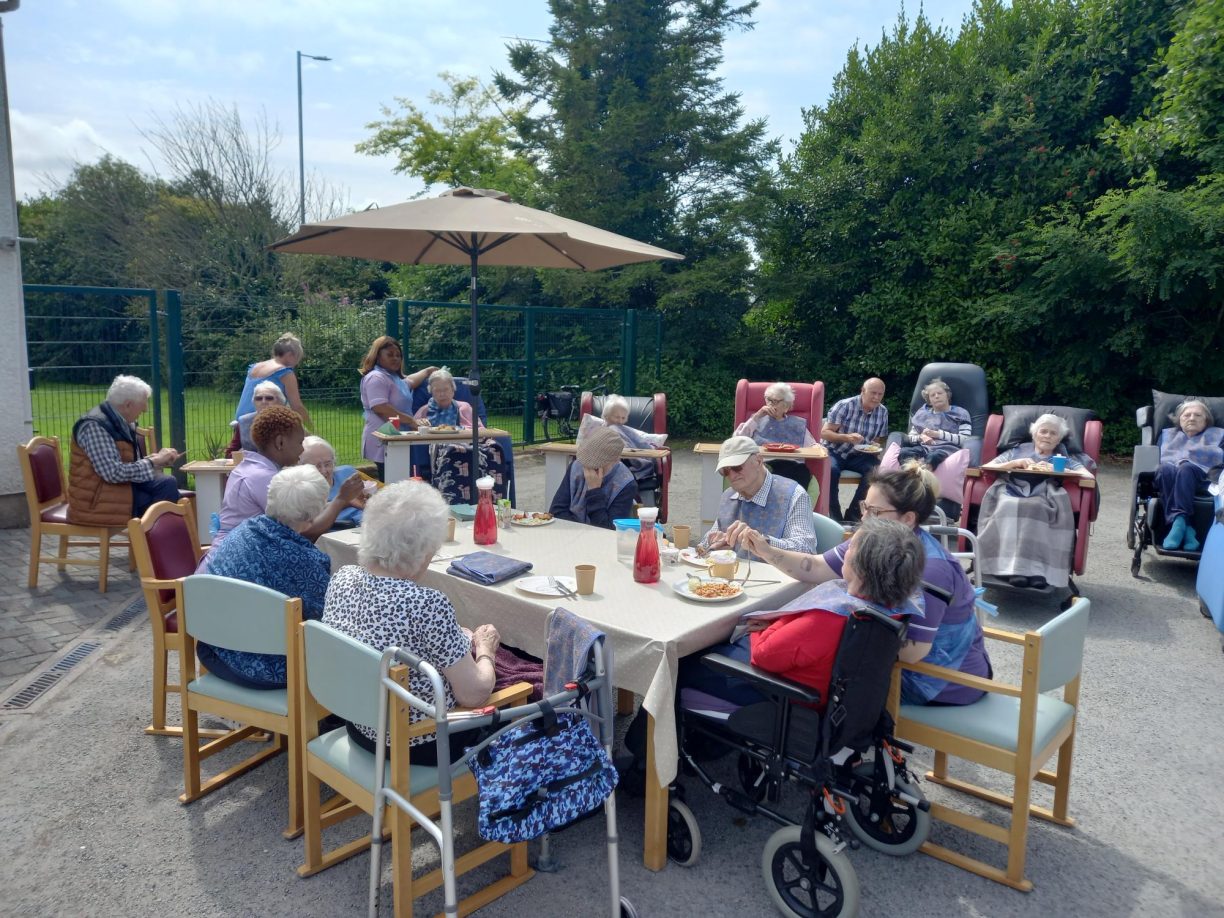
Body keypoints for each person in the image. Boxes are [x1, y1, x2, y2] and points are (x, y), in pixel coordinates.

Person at [743, 462, 991, 705]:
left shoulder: (931, 569)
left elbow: (913, 652)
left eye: (874, 511)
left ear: (907, 519)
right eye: (864, 506)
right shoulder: (877, 542)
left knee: (790, 671)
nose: (863, 517)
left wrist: (824, 634)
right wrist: (765, 550)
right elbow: (817, 567)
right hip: (905, 665)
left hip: (942, 682)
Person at [322, 480, 503, 764]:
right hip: (417, 743)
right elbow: (475, 694)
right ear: (423, 552)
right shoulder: (427, 603)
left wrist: (454, 639)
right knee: (520, 702)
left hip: (358, 725)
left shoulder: (342, 577)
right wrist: (485, 649)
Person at [678, 519, 926, 707]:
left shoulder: (830, 618)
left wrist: (771, 625)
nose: (844, 551)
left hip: (783, 697)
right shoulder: (892, 610)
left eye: (851, 546)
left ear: (861, 567)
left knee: (680, 664)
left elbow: (764, 656)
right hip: (830, 696)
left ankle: (666, 753)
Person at [196, 466, 333, 689]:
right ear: (311, 517)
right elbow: (328, 618)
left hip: (215, 652)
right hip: (271, 670)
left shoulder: (241, 531)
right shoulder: (305, 560)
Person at [211, 407, 363, 552]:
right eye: (299, 442)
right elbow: (304, 532)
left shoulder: (251, 467)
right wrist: (340, 500)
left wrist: (344, 501)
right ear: (280, 443)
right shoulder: (266, 479)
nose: (302, 450)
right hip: (238, 564)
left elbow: (301, 514)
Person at [978, 413, 1095, 588]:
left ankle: (1037, 571)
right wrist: (1012, 463)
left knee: (1036, 508)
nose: (1047, 436)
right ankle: (1010, 569)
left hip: (1044, 494)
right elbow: (987, 467)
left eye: (1053, 433)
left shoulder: (1061, 458)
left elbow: (1088, 476)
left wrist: (1057, 469)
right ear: (1034, 434)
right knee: (1008, 505)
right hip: (1013, 489)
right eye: (1043, 431)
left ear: (1058, 440)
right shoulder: (1017, 451)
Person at [67, 374, 181, 525]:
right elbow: (113, 472)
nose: (146, 409)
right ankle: (153, 537)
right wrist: (152, 462)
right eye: (143, 404)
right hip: (94, 503)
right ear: (128, 405)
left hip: (113, 489)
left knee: (168, 483)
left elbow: (125, 464)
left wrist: (157, 460)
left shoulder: (119, 420)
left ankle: (155, 536)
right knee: (160, 502)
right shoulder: (95, 427)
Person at [700, 436, 817, 560]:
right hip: (733, 571)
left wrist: (760, 541)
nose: (732, 475)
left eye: (737, 467)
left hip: (777, 572)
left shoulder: (794, 494)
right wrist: (713, 542)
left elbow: (807, 550)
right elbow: (705, 543)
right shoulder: (728, 496)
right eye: (725, 471)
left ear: (758, 461)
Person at [413, 368, 508, 504]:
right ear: (431, 392)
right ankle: (452, 501)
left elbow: (481, 430)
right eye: (437, 390)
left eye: (446, 390)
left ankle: (494, 499)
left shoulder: (464, 407)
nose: (442, 394)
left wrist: (464, 431)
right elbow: (414, 430)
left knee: (494, 448)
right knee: (454, 450)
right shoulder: (424, 411)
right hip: (442, 447)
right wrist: (419, 424)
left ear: (453, 390)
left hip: (471, 442)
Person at [358, 336, 437, 480]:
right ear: (377, 356)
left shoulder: (392, 377)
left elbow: (410, 381)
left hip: (396, 437)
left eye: (398, 355)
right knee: (392, 481)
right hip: (384, 437)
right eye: (390, 355)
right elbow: (380, 407)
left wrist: (428, 371)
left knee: (397, 480)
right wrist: (411, 421)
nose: (395, 358)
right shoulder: (376, 378)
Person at [1156, 400, 1223, 552]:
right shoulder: (1167, 435)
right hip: (1171, 476)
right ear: (1179, 419)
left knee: (1186, 468)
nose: (1192, 418)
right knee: (1164, 469)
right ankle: (1185, 526)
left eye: (1198, 415)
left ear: (1206, 420)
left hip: (1205, 479)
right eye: (1187, 415)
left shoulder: (1218, 435)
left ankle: (1179, 524)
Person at [822, 377, 889, 522]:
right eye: (873, 393)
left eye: (880, 394)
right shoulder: (845, 406)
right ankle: (835, 516)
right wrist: (846, 437)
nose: (876, 397)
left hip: (860, 455)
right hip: (835, 451)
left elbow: (878, 439)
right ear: (863, 391)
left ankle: (853, 514)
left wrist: (875, 445)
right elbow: (824, 433)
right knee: (830, 470)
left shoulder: (882, 412)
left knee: (876, 471)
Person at [549, 425, 638, 529]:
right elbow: (556, 512)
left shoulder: (626, 484)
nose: (590, 467)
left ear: (616, 459)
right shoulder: (576, 466)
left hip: (602, 537)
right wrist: (580, 532)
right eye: (587, 462)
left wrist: (594, 491)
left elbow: (609, 530)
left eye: (598, 465)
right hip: (571, 532)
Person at [734, 382, 817, 490]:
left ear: (786, 406)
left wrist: (819, 448)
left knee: (801, 473)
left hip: (792, 465)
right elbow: (736, 441)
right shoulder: (756, 420)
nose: (770, 404)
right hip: (764, 464)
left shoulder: (797, 424)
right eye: (768, 400)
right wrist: (756, 416)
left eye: (775, 401)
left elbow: (813, 446)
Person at [233, 332, 312, 428]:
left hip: (240, 420)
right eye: (298, 358)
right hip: (262, 421)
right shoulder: (285, 373)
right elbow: (296, 406)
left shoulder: (255, 367)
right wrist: (311, 429)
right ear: (290, 355)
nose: (297, 363)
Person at [896, 377, 972, 469]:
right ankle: (912, 473)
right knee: (905, 452)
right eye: (932, 395)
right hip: (924, 448)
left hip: (946, 449)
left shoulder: (960, 413)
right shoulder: (922, 415)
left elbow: (965, 439)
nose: (936, 396)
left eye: (940, 393)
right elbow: (910, 437)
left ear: (947, 395)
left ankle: (923, 473)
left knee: (933, 457)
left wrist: (938, 434)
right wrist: (921, 437)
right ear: (929, 401)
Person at [300, 435, 367, 528]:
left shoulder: (348, 473)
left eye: (327, 464)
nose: (324, 471)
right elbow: (305, 517)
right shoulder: (299, 489)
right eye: (317, 466)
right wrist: (344, 501)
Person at [601, 394, 664, 490]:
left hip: (630, 461)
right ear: (607, 416)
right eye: (617, 417)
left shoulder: (622, 429)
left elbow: (639, 441)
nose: (620, 421)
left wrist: (652, 449)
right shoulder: (603, 429)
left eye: (623, 418)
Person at [225, 380, 287, 458]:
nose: (263, 402)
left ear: (280, 402)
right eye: (259, 398)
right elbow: (230, 453)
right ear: (254, 402)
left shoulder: (288, 421)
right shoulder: (244, 422)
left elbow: (296, 451)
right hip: (251, 464)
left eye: (269, 398)